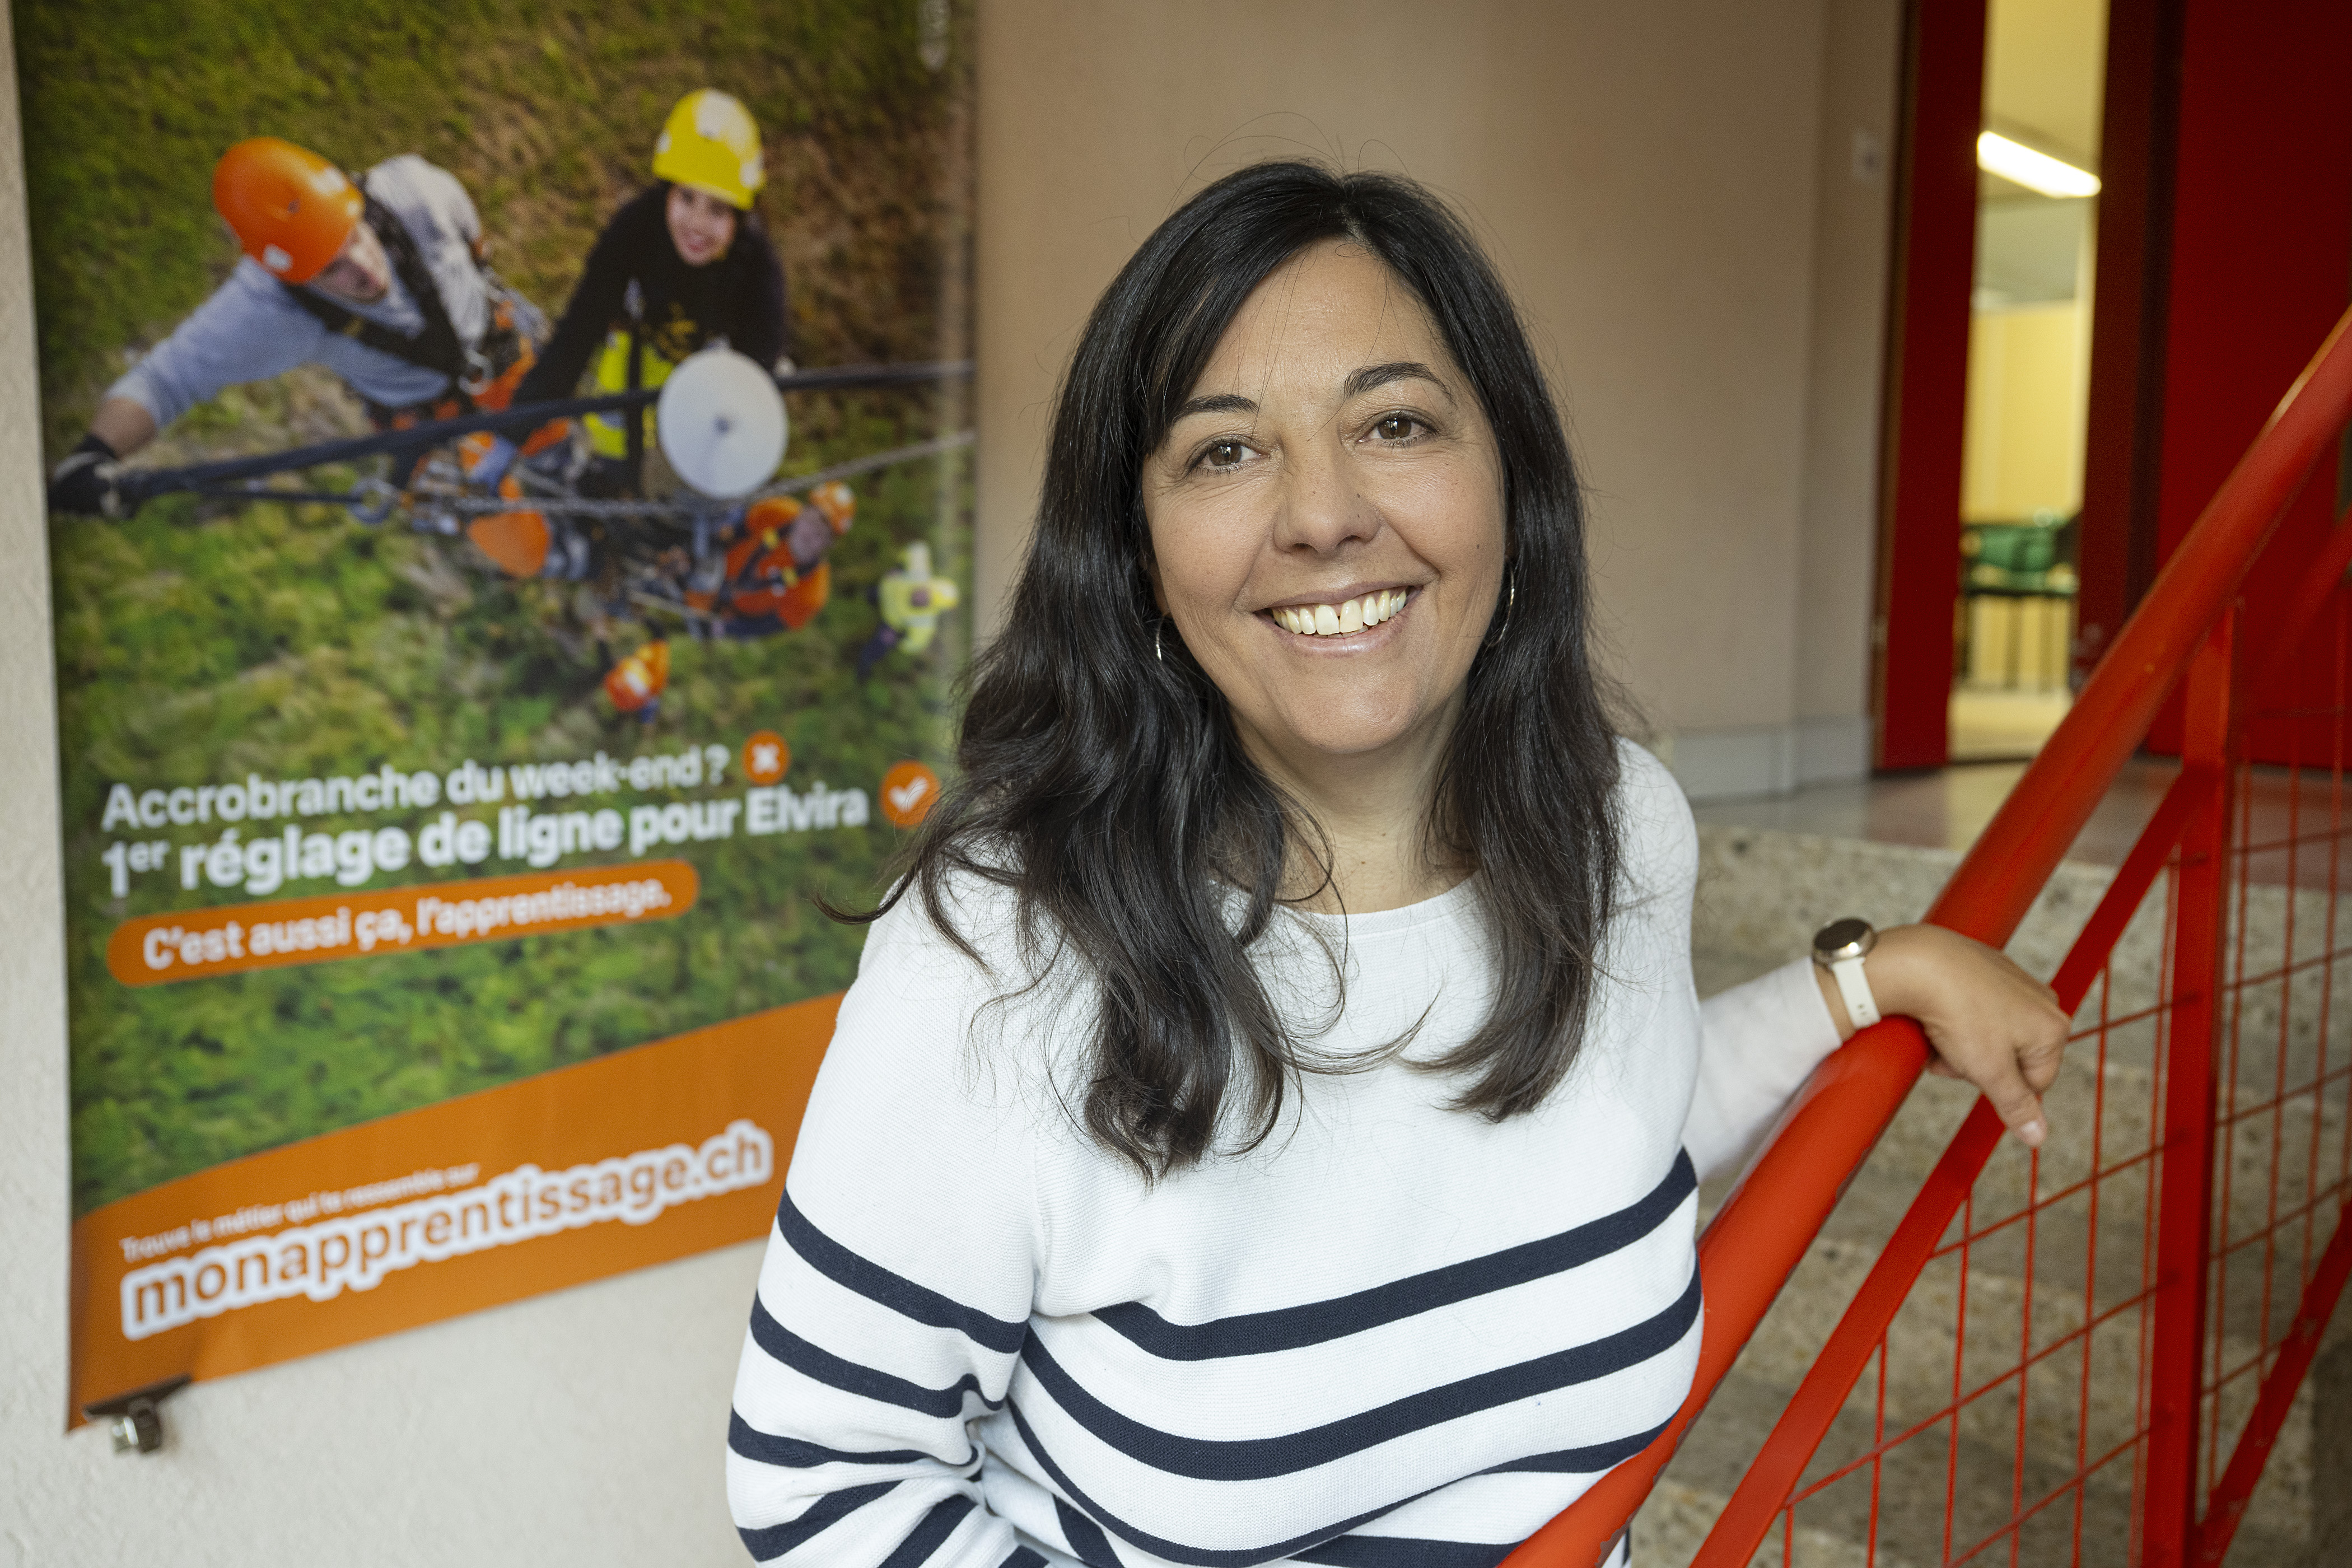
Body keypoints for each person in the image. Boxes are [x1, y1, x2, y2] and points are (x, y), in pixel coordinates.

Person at [725, 163, 2070, 1567]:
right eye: (1225, 451)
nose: (1323, 514)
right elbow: (822, 1485)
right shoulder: (1008, 949)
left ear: (1510, 479)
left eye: (1396, 423)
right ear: (1134, 554)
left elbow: (1607, 1145)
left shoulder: (1614, 825)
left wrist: (1863, 982)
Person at [46, 137, 545, 516]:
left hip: (502, 358)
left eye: (356, 237)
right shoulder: (269, 308)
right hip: (433, 424)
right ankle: (563, 554)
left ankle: (562, 463)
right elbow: (165, 380)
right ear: (289, 274)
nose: (364, 269)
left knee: (551, 435)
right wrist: (94, 455)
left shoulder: (418, 192)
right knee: (510, 536)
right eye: (333, 270)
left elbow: (475, 247)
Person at [491, 88, 791, 498]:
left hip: (711, 390)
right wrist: (511, 435)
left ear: (741, 216)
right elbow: (578, 334)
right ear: (667, 190)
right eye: (687, 198)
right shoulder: (635, 231)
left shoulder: (756, 269)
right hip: (636, 372)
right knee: (617, 465)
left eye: (718, 210)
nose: (697, 225)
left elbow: (753, 381)